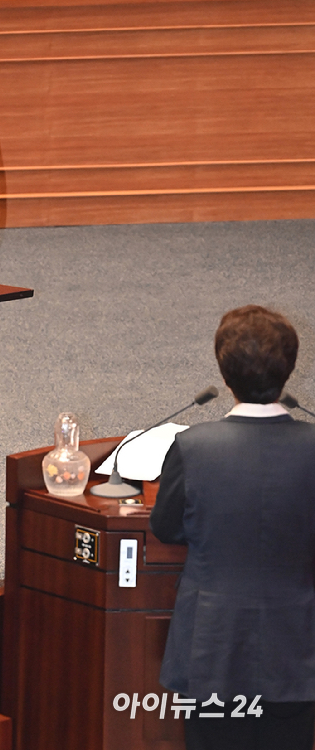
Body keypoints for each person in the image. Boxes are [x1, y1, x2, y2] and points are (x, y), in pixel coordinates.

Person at [150, 305, 315, 750]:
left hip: (211, 650)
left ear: (225, 376)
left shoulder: (192, 447)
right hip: (296, 648)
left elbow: (166, 528)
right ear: (289, 369)